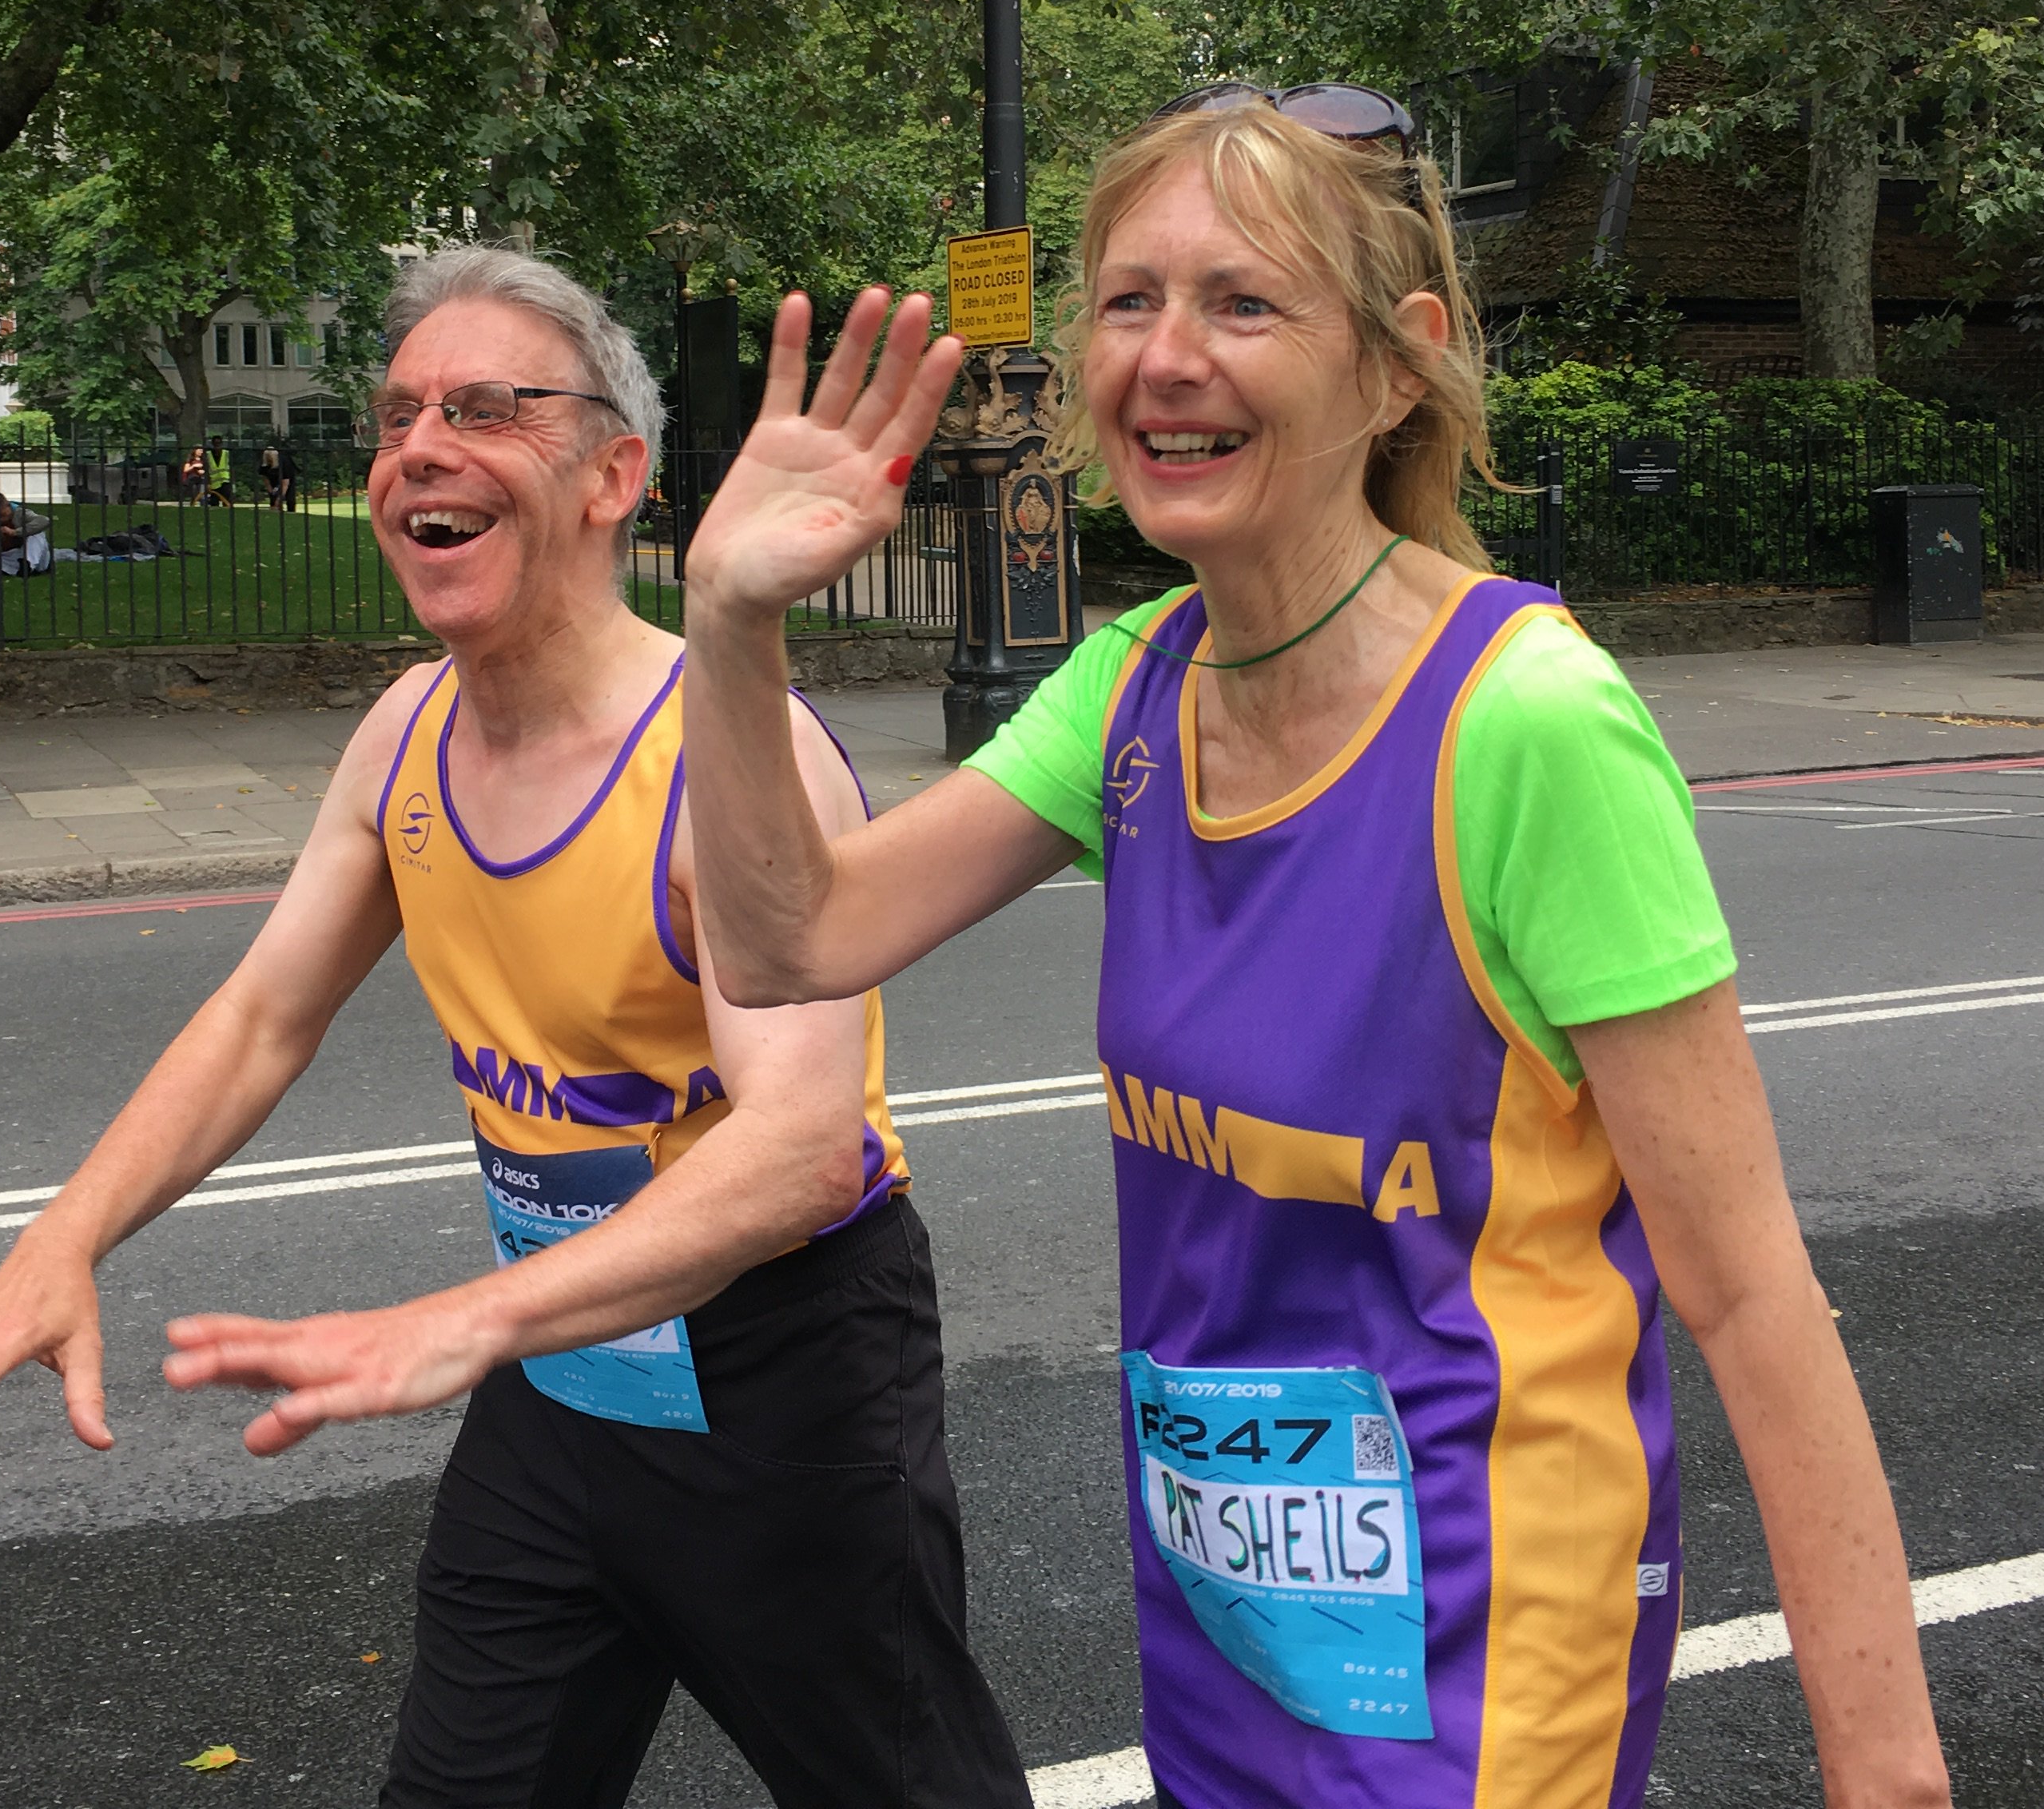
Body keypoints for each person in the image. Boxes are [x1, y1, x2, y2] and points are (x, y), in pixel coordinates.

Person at [678, 97, 1951, 1809]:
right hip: (1225, 1614)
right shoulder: (1131, 684)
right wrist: (732, 622)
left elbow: (1746, 1290)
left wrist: (1889, 1774)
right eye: (1128, 302)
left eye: (1244, 303)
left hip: (1486, 1634)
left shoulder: (1532, 725)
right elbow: (787, 942)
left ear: (1401, 364)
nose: (1165, 356)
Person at [0, 246, 1032, 1809]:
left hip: (785, 1394)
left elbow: (806, 1145)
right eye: (401, 413)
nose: (421, 444)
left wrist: (467, 1322)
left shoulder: (730, 763)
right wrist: (65, 1237)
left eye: (486, 409)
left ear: (615, 475)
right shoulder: (405, 734)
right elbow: (266, 1014)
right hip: (561, 1390)